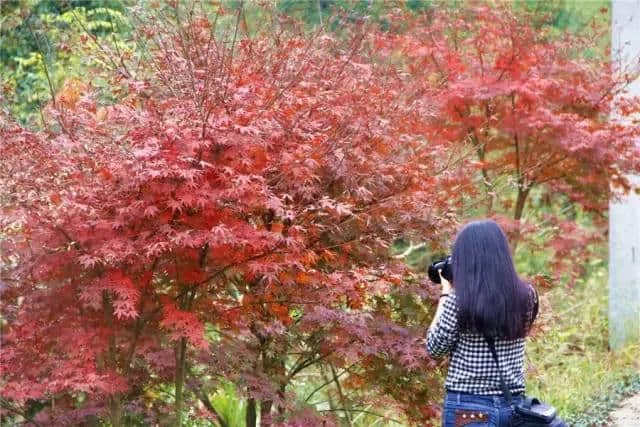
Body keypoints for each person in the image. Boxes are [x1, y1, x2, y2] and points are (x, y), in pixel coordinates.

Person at [426, 219, 539, 427]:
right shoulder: (527, 295)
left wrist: (445, 293)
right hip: (513, 406)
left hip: (468, 408)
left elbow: (435, 347)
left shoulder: (457, 300)